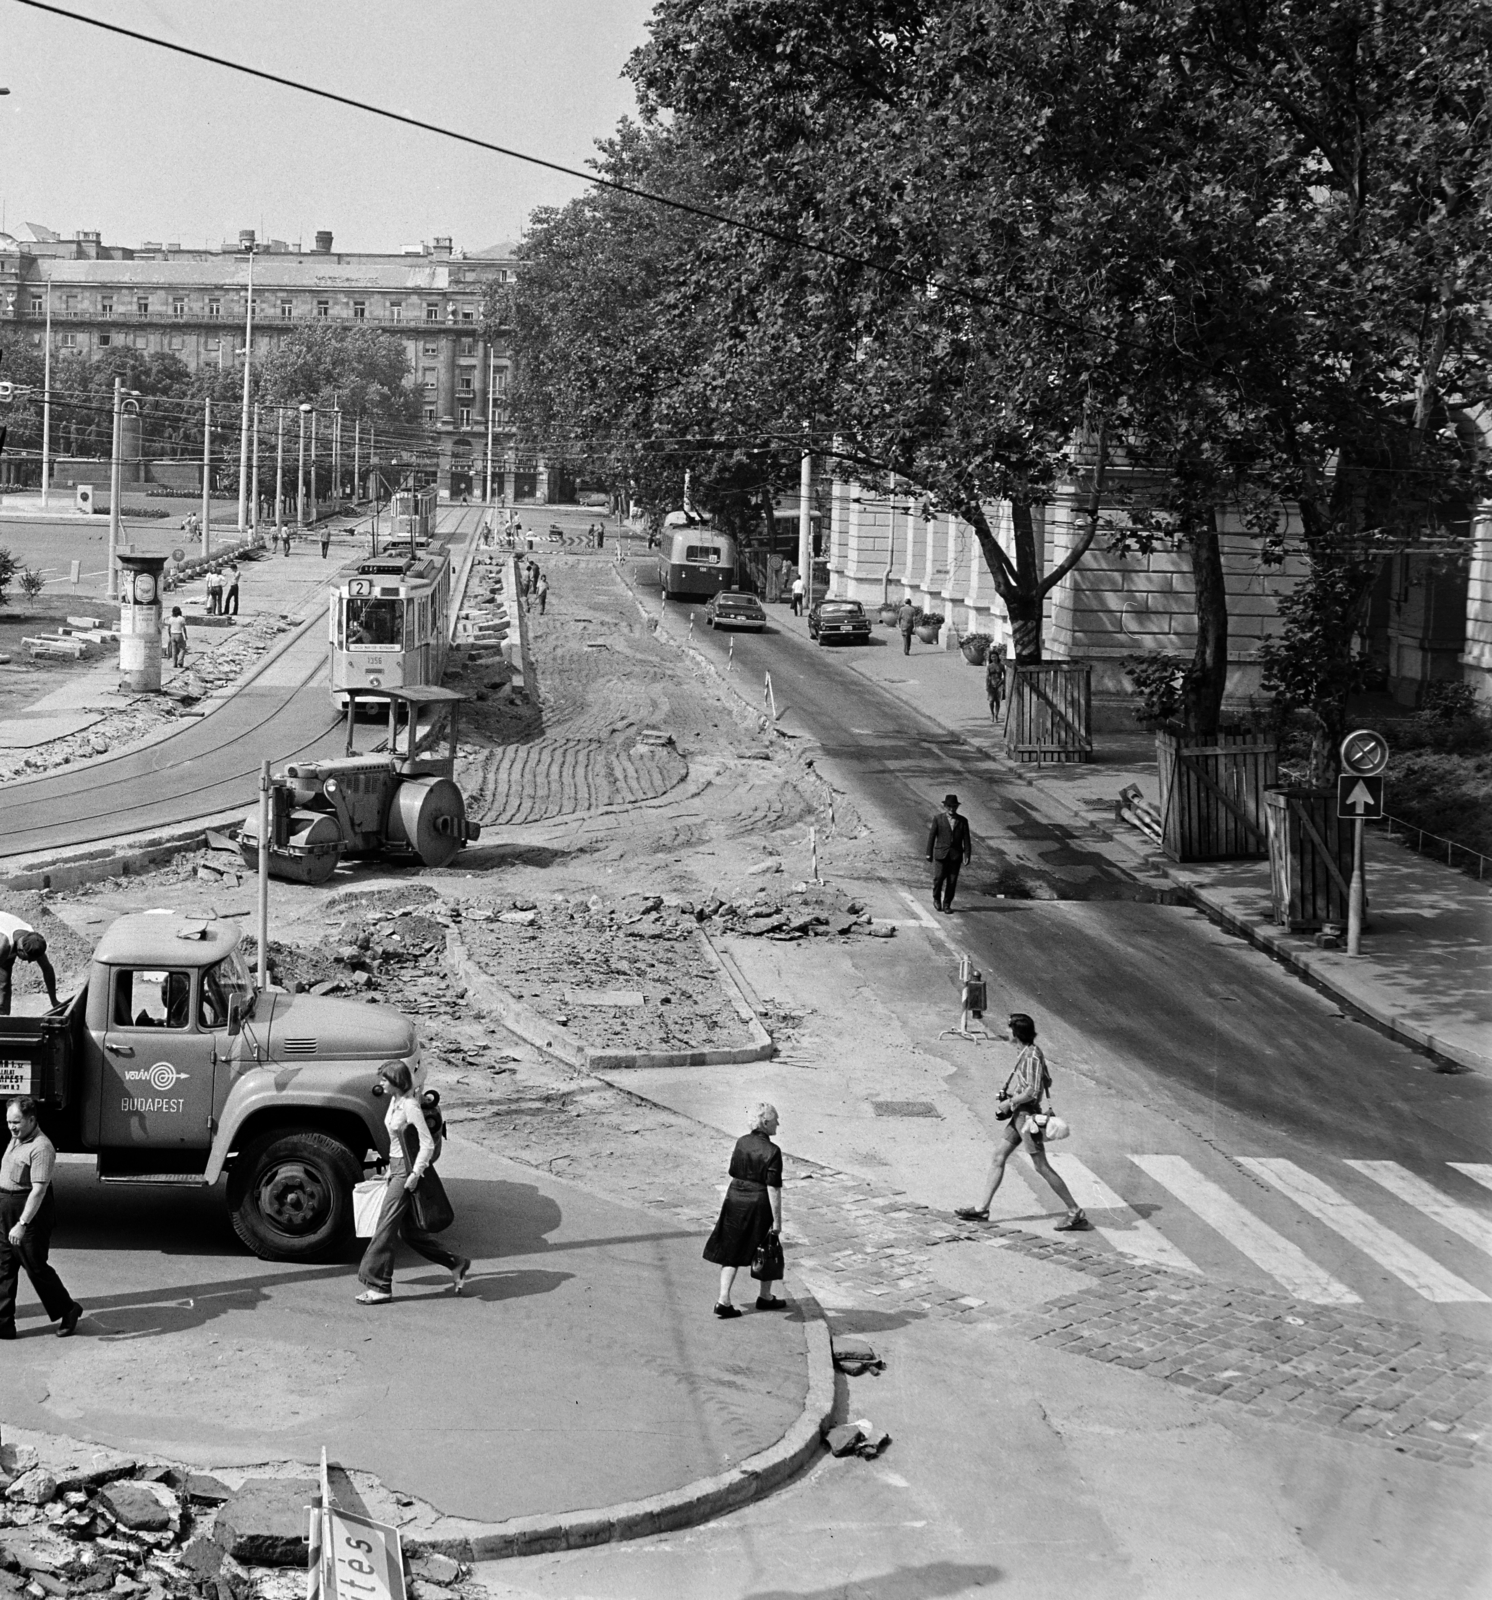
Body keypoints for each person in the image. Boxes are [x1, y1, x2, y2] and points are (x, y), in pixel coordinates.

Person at [955, 1015, 1090, 1232]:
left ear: (1017, 1033)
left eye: (1009, 1030)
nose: (1006, 1033)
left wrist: (1009, 1102)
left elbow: (1033, 1090)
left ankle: (1076, 1212)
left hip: (1026, 1118)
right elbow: (1037, 1083)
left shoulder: (1032, 1057)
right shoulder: (1026, 1053)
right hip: (1019, 1115)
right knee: (998, 1156)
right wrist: (1012, 1096)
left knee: (1041, 1166)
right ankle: (982, 1209)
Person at [356, 1061, 470, 1304]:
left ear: (397, 1081)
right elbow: (398, 1143)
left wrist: (414, 1174)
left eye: (385, 1080)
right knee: (409, 1233)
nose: (381, 1083)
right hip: (396, 1168)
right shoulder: (394, 1102)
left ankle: (379, 1285)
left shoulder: (410, 1106)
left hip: (407, 1173)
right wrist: (389, 1169)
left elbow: (427, 1143)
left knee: (384, 1228)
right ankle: (456, 1262)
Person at [1, 1096, 83, 1339]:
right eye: (8, 1122)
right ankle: (3, 1324)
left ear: (32, 1119)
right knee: (3, 1269)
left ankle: (68, 1309)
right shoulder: (16, 1138)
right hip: (7, 1210)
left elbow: (38, 1190)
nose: (11, 1127)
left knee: (35, 1267)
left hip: (29, 1213)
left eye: (16, 1122)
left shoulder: (42, 1147)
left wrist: (22, 1224)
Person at [703, 1102, 786, 1317]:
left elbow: (732, 1170)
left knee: (731, 1250)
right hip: (758, 1202)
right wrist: (777, 1221)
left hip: (734, 1198)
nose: (778, 1122)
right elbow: (773, 1188)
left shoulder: (741, 1142)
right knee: (767, 1246)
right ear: (765, 1123)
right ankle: (765, 1297)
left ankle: (723, 1300)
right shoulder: (773, 1151)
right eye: (775, 1119)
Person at [0, 915, 59, 1018]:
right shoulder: (4, 946)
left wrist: (54, 1001)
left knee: (4, 981)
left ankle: (3, 1020)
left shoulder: (33, 941)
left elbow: (47, 969)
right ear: (21, 949)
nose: (29, 962)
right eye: (28, 959)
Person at [926, 793, 972, 913]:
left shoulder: (962, 821)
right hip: (941, 854)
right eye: (949, 806)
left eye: (954, 806)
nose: (952, 809)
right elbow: (932, 836)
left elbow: (966, 839)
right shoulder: (938, 819)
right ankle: (936, 899)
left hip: (955, 856)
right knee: (938, 878)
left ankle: (947, 904)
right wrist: (928, 853)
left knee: (952, 881)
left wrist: (967, 854)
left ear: (957, 807)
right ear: (945, 807)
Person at [986, 642, 1007, 722]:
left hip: (999, 684)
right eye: (992, 657)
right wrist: (987, 685)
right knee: (991, 701)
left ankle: (996, 715)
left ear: (997, 657)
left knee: (997, 701)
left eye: (995, 657)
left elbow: (1005, 675)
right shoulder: (989, 666)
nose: (993, 658)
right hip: (991, 684)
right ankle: (992, 713)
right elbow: (987, 676)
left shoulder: (1001, 666)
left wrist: (1003, 682)